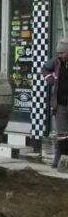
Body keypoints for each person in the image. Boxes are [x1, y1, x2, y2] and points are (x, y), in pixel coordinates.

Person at [42, 39, 68, 168]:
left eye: (62, 53)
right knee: (62, 134)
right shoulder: (56, 62)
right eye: (58, 52)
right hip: (60, 104)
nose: (59, 55)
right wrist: (50, 80)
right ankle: (59, 160)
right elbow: (45, 69)